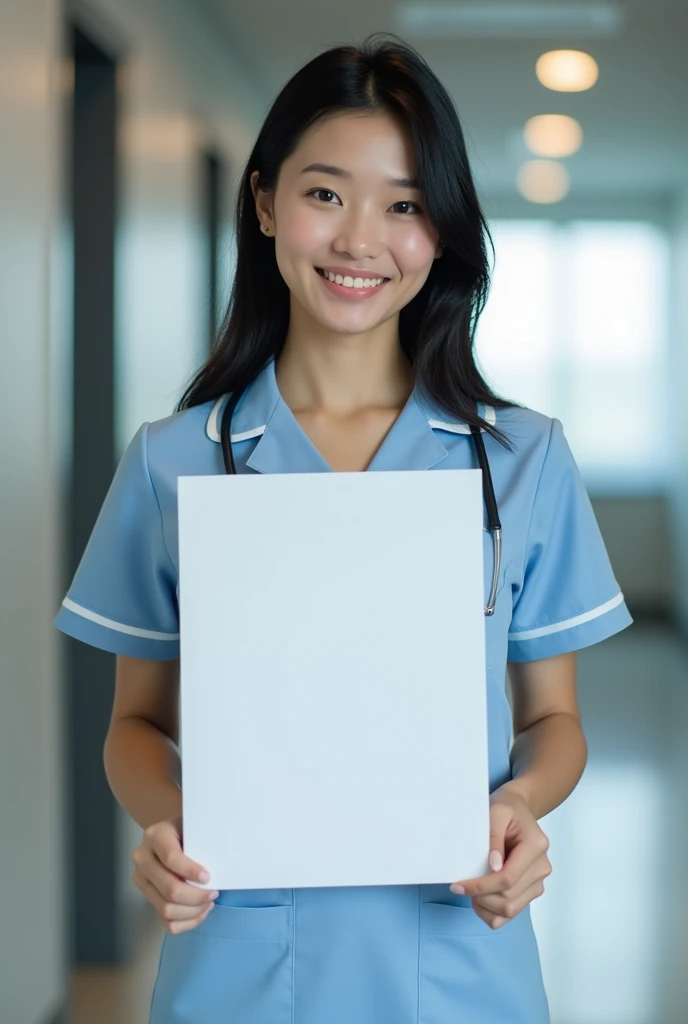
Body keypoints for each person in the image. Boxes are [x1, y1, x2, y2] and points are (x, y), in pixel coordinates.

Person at [53, 32, 633, 1024]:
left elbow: (555, 721)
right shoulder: (173, 460)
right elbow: (135, 723)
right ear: (266, 200)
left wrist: (521, 806)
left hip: (459, 953)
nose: (361, 240)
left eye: (404, 205)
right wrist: (165, 820)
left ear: (441, 232)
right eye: (326, 194)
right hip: (238, 954)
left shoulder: (522, 459)